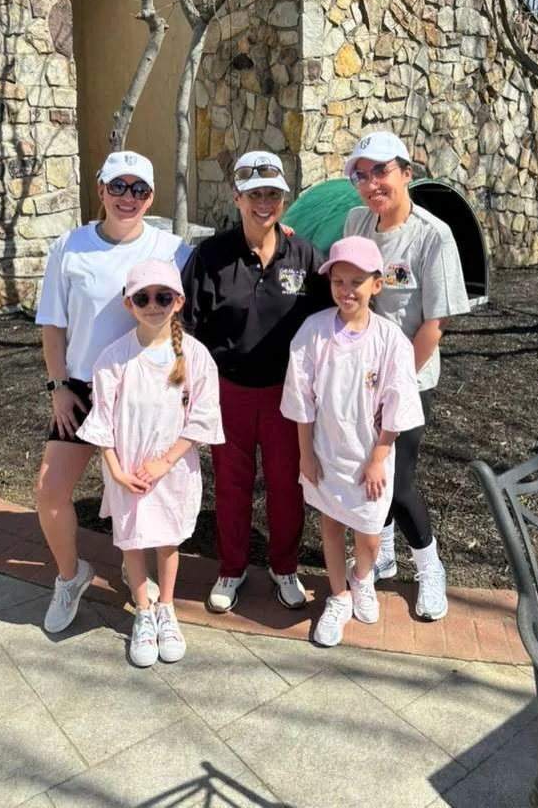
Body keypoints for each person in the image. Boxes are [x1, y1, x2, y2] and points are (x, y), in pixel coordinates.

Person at [35, 150, 191, 634]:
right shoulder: (69, 247)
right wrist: (59, 386)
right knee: (49, 491)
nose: (128, 197)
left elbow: (219, 275)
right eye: (118, 187)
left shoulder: (174, 248)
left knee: (140, 489)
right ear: (100, 189)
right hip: (83, 387)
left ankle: (138, 575)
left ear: (150, 197)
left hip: (147, 386)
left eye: (139, 189)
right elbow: (53, 326)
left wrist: (281, 235)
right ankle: (71, 575)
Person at [181, 151, 329, 614]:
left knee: (288, 485)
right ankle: (232, 567)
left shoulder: (302, 254)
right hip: (229, 391)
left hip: (288, 395)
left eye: (272, 194)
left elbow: (331, 319)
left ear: (283, 199)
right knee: (231, 483)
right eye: (254, 194)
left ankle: (284, 568)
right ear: (237, 198)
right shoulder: (210, 255)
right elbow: (185, 325)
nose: (263, 203)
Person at [343, 131, 470, 621]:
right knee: (369, 474)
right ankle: (387, 555)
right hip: (361, 377)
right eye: (362, 174)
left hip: (408, 383)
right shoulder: (357, 221)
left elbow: (435, 325)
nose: (372, 183)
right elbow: (344, 283)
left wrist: (393, 386)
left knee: (399, 483)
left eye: (382, 171)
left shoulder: (432, 236)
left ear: (405, 174)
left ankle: (430, 567)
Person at [77, 259, 223, 666]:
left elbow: (203, 416)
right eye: (142, 297)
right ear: (128, 304)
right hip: (127, 469)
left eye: (162, 297)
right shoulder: (113, 358)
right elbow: (102, 421)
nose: (152, 305)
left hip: (171, 469)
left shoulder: (194, 356)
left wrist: (166, 461)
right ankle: (143, 609)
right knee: (133, 538)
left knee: (168, 538)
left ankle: (167, 607)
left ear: (178, 302)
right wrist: (117, 471)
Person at [281, 236, 424, 647]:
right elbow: (301, 399)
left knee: (369, 532)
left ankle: (362, 576)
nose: (346, 291)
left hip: (369, 457)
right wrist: (306, 455)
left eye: (356, 282)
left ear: (376, 284)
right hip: (326, 451)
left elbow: (398, 406)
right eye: (338, 281)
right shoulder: (313, 332)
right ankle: (339, 595)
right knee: (330, 523)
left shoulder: (389, 340)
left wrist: (379, 457)